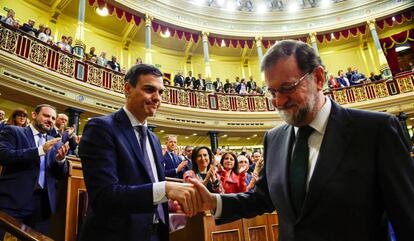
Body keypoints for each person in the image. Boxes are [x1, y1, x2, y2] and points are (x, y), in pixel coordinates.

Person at [191, 40, 414, 241]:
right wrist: (214, 201)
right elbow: (262, 197)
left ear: (318, 78)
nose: (278, 101)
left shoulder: (375, 130)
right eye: (271, 92)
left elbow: (407, 216)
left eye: (287, 88)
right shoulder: (274, 138)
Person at [78, 64, 201, 241]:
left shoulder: (154, 139)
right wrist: (165, 189)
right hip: (116, 235)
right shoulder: (101, 128)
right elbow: (104, 196)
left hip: (156, 233)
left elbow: (148, 184)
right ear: (128, 89)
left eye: (161, 92)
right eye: (149, 89)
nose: (157, 98)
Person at [0, 104, 69, 236]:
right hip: (13, 200)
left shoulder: (55, 142)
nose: (50, 120)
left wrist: (61, 160)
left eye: (53, 118)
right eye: (46, 116)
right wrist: (40, 150)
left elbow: (61, 174)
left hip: (43, 205)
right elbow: (3, 156)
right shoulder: (14, 131)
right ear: (34, 115)